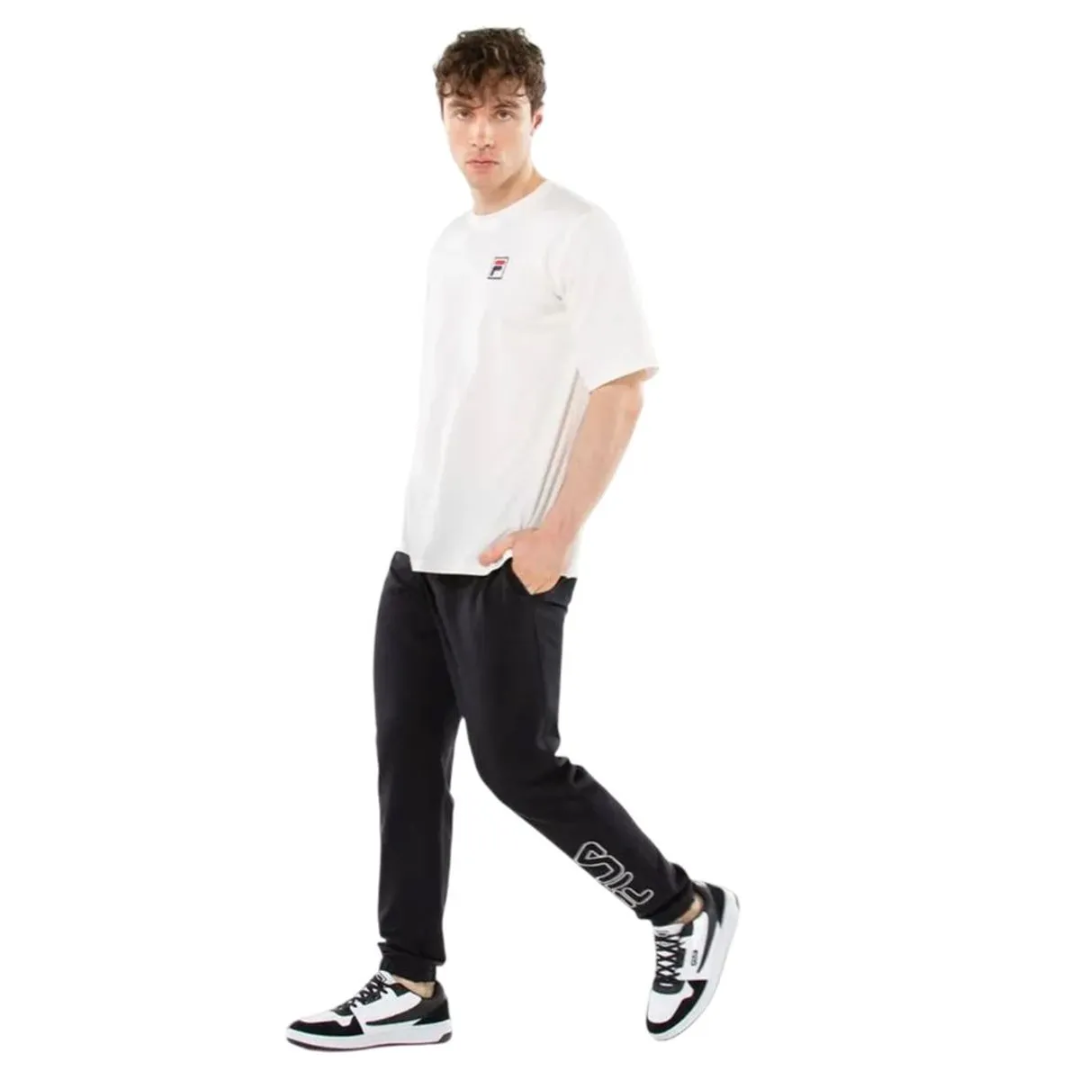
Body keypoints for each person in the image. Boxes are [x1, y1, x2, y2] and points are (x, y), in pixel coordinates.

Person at [286, 26, 739, 1052]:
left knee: (517, 767)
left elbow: (622, 390)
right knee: (407, 766)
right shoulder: (452, 241)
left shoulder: (577, 231)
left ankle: (681, 910)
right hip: (420, 558)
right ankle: (409, 982)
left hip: (506, 564)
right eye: (463, 111)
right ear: (442, 116)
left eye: (501, 111)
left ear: (538, 115)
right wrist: (414, 545)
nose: (480, 133)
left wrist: (554, 537)